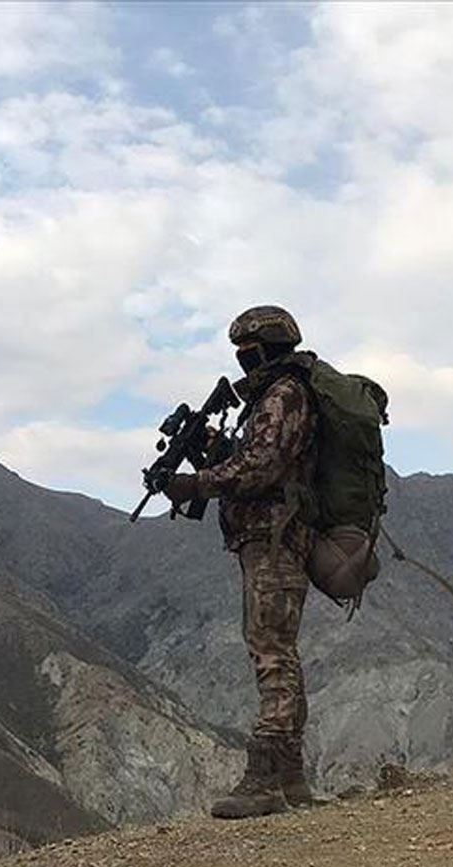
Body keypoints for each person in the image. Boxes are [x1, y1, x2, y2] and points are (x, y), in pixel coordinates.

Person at [165, 305, 318, 818]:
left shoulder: (282, 395)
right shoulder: (280, 397)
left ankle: (264, 778)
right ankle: (291, 778)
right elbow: (258, 459)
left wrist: (196, 483)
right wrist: (215, 450)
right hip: (270, 538)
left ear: (264, 350)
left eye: (246, 352)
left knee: (271, 653)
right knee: (279, 651)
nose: (241, 362)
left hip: (275, 539)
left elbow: (261, 467)